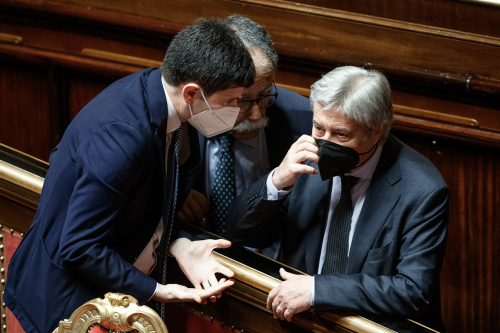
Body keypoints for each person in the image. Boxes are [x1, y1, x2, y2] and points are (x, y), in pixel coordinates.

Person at [4, 18, 256, 333]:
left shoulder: (162, 93)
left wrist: (176, 243)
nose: (236, 111)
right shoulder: (125, 138)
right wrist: (160, 291)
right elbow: (79, 246)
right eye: (230, 101)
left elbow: (148, 200)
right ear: (192, 93)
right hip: (71, 303)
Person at [226, 66, 449, 331]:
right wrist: (277, 182)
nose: (324, 143)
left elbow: (412, 290)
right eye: (319, 128)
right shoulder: (304, 158)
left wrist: (318, 290)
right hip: (299, 323)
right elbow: (240, 234)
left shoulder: (423, 190)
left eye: (341, 134)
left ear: (376, 130)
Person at [176, 15, 312, 257]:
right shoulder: (178, 118)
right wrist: (172, 194)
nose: (257, 114)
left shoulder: (306, 122)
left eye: (265, 94)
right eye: (241, 101)